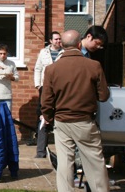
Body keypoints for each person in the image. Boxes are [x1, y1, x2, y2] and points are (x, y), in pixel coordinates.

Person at [41, 30, 110, 192]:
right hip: (85, 121)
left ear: (62, 45)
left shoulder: (51, 69)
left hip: (61, 121)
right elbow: (104, 96)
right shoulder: (94, 66)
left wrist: (48, 117)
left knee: (65, 162)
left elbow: (46, 100)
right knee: (94, 162)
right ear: (79, 44)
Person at [33, 31, 62, 158]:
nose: (58, 41)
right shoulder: (43, 52)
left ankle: (61, 152)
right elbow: (38, 68)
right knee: (42, 116)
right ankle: (40, 152)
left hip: (60, 88)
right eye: (55, 39)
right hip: (45, 87)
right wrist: (38, 85)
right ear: (50, 41)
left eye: (59, 39)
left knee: (59, 116)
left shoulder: (64, 52)